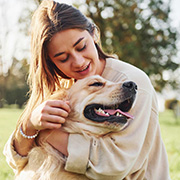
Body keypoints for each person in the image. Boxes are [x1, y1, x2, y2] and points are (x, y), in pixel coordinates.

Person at [3, 0, 171, 179]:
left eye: (81, 47)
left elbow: (114, 165)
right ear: (50, 62)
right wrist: (30, 125)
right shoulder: (60, 86)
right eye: (63, 58)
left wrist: (45, 134)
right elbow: (16, 161)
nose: (78, 62)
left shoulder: (132, 81)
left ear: (94, 35)